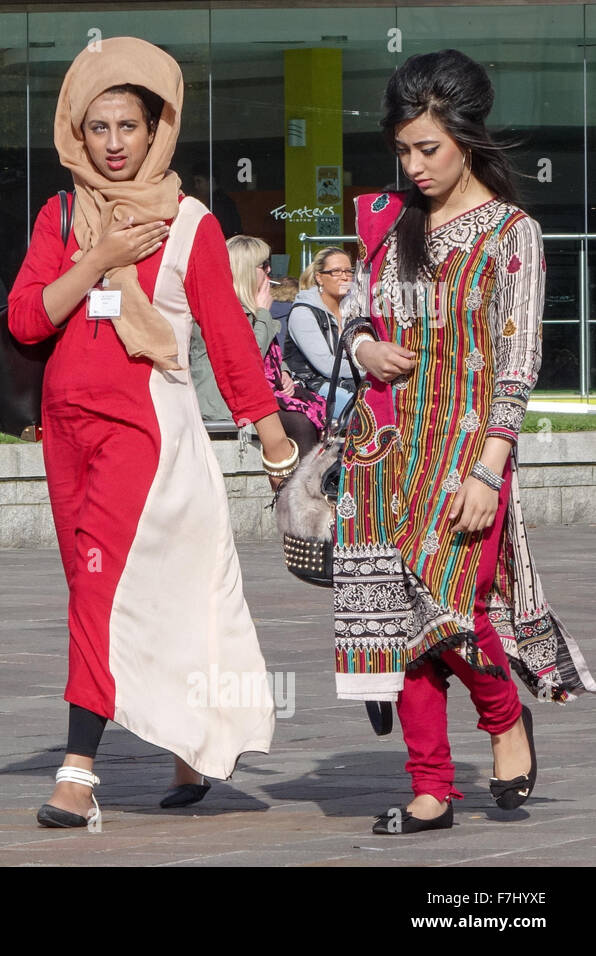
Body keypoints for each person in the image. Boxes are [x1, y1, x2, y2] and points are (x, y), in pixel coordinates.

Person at [7, 38, 299, 829]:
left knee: (101, 596)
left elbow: (232, 344)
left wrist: (275, 444)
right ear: (77, 132)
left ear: (156, 129)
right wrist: (100, 253)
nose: (111, 143)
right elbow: (28, 319)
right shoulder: (61, 214)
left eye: (127, 126)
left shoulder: (193, 224)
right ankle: (189, 743)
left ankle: (76, 773)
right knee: (116, 596)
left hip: (147, 433)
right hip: (65, 432)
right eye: (96, 126)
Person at [334, 50, 594, 835]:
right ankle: (430, 788)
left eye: (429, 149)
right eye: (403, 149)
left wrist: (490, 469)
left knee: (452, 610)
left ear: (469, 140)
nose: (413, 166)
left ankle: (504, 714)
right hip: (383, 453)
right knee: (399, 625)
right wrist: (362, 348)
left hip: (465, 453)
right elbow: (352, 315)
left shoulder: (514, 233)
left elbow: (519, 364)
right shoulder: (387, 222)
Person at [192, 235, 326, 453]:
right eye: (263, 265)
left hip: (255, 395)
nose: (269, 270)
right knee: (300, 422)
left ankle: (307, 482)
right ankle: (296, 485)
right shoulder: (219, 310)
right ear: (245, 270)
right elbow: (245, 359)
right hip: (225, 404)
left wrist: (283, 372)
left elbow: (271, 357)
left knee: (316, 406)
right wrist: (264, 313)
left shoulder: (251, 306)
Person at [285, 246, 356, 421]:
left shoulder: (354, 309)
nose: (345, 276)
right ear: (319, 278)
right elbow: (326, 365)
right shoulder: (303, 312)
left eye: (348, 270)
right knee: (364, 413)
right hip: (313, 385)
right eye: (336, 271)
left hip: (350, 382)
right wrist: (372, 369)